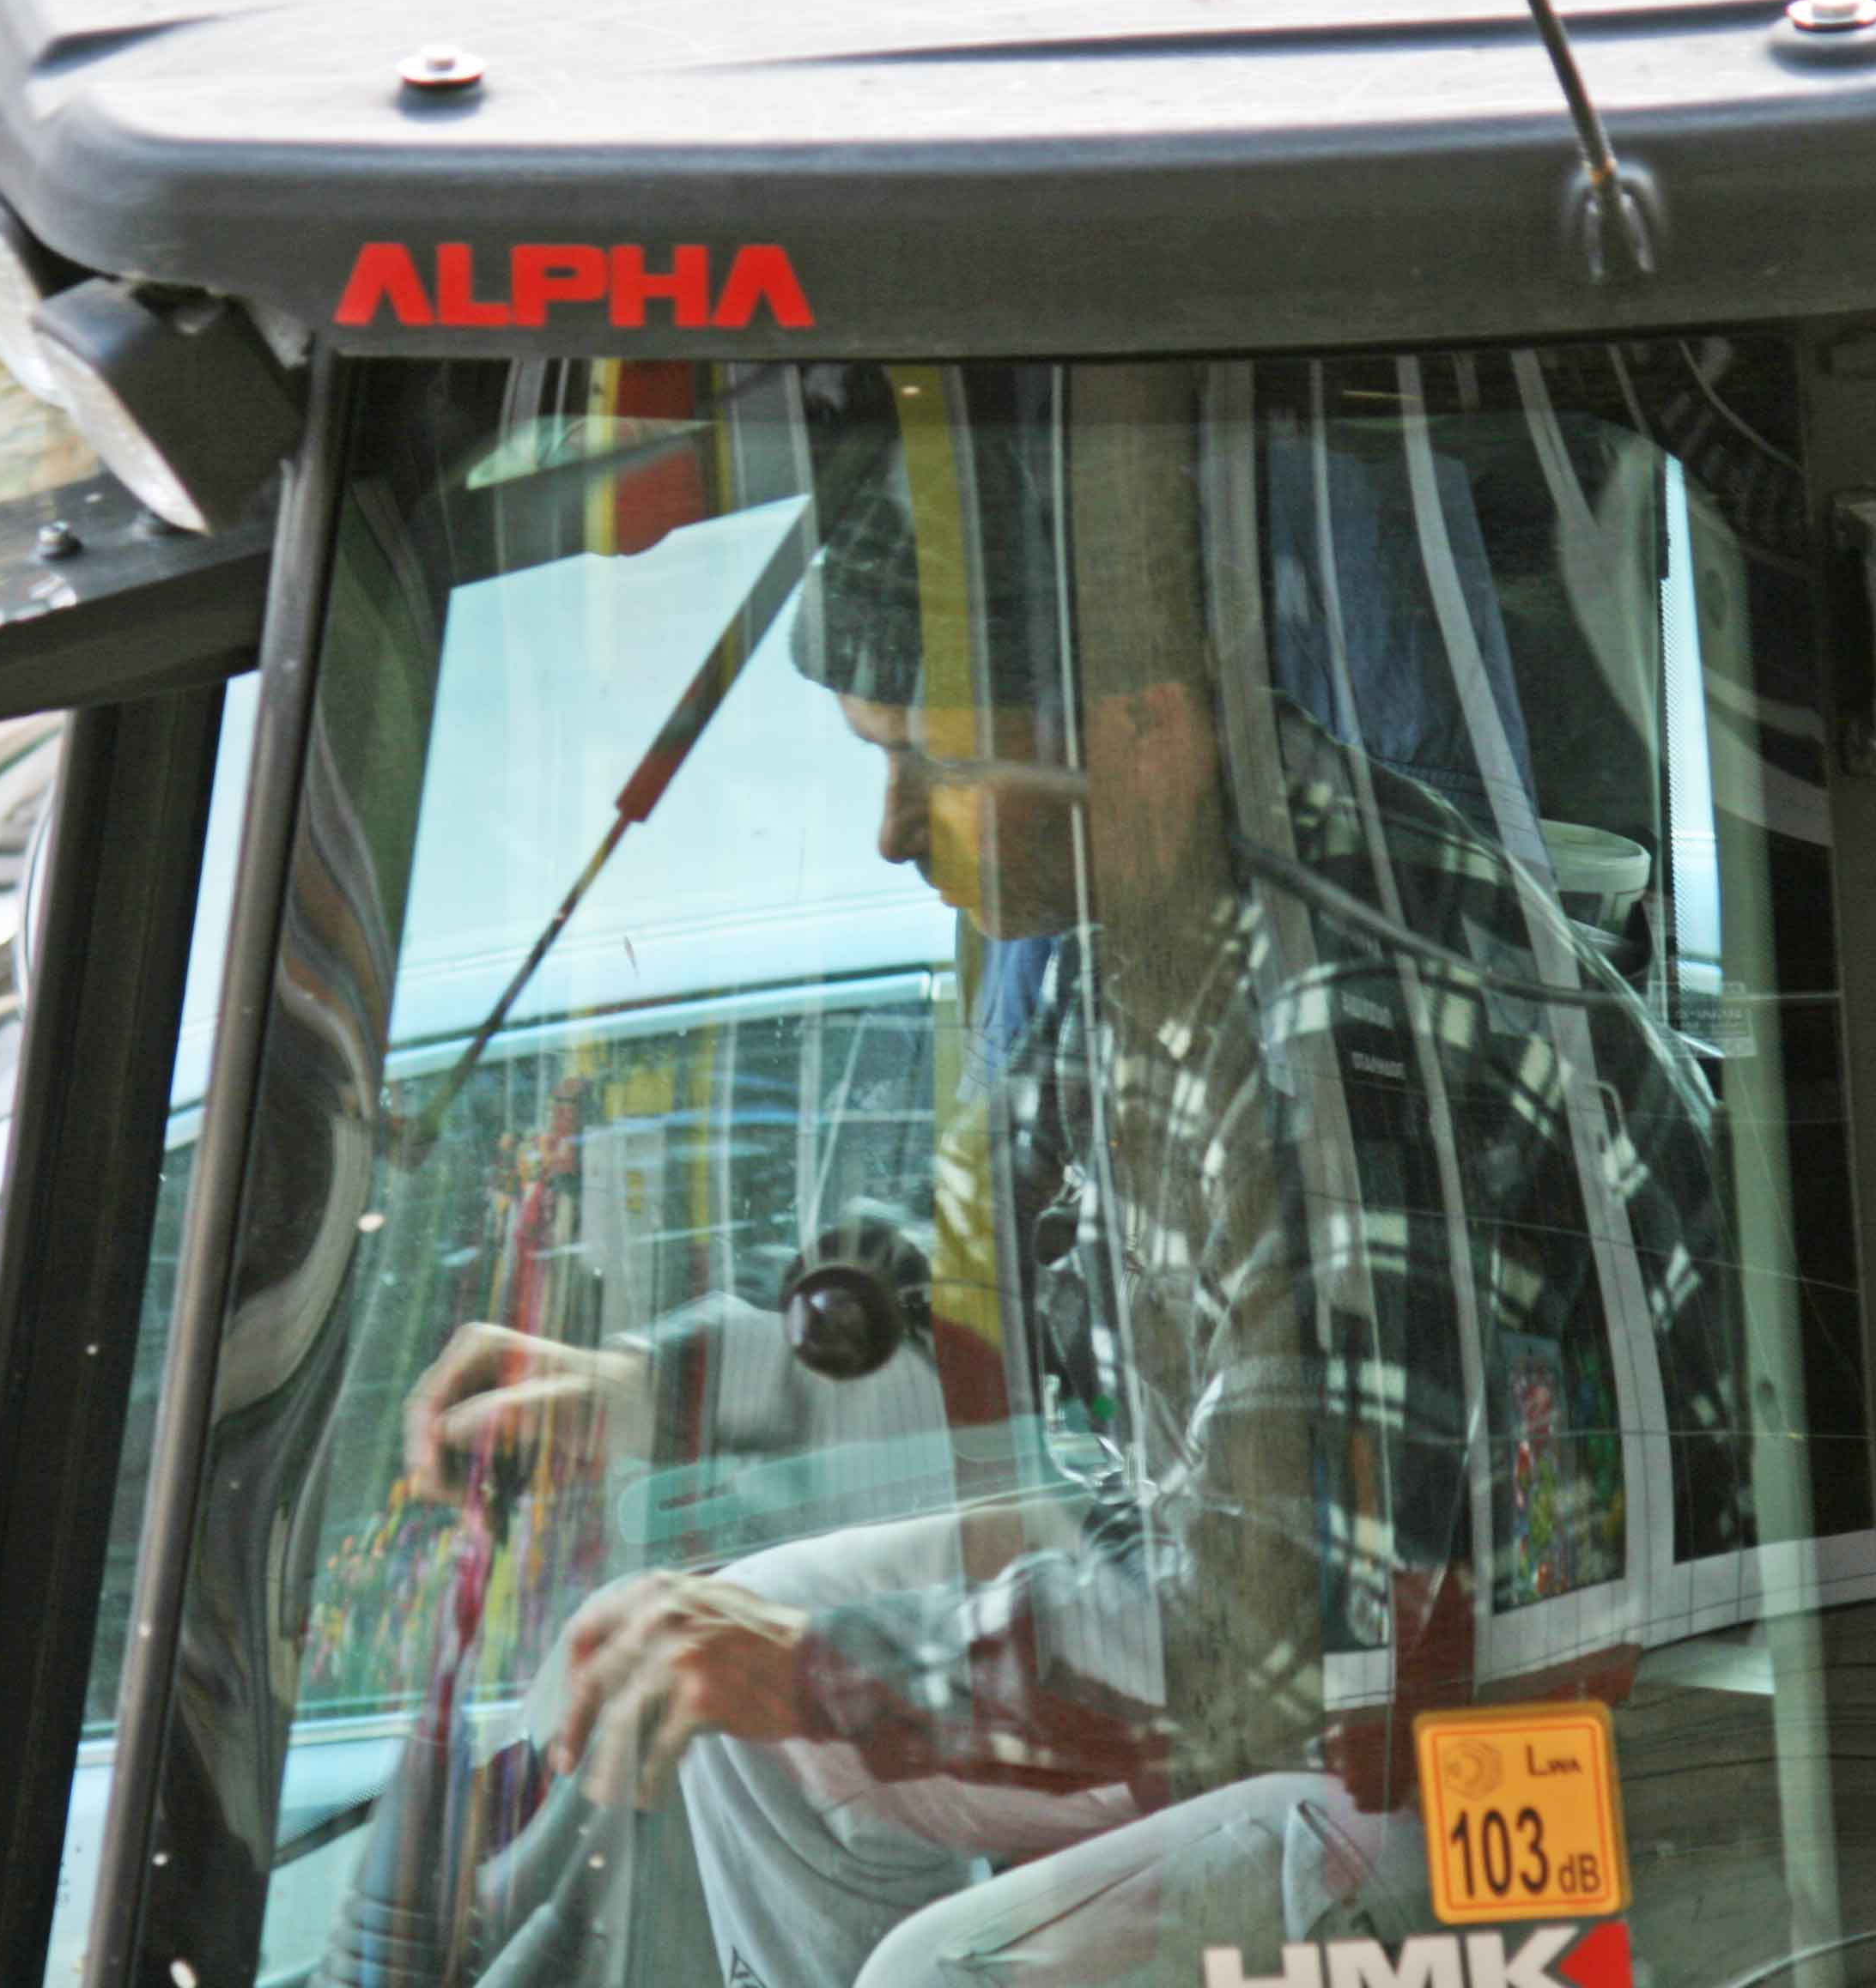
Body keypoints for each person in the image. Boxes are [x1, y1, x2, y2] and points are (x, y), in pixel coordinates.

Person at [404, 361, 1715, 1984]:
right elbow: (988, 1308)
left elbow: (1264, 1654)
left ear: (1141, 726)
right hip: (1284, 1604)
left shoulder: (1343, 1056)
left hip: (1514, 1743)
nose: (895, 830)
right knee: (740, 1704)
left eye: (937, 767)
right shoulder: (1164, 900)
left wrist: (822, 1671)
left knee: (926, 1953)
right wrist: (652, 1394)